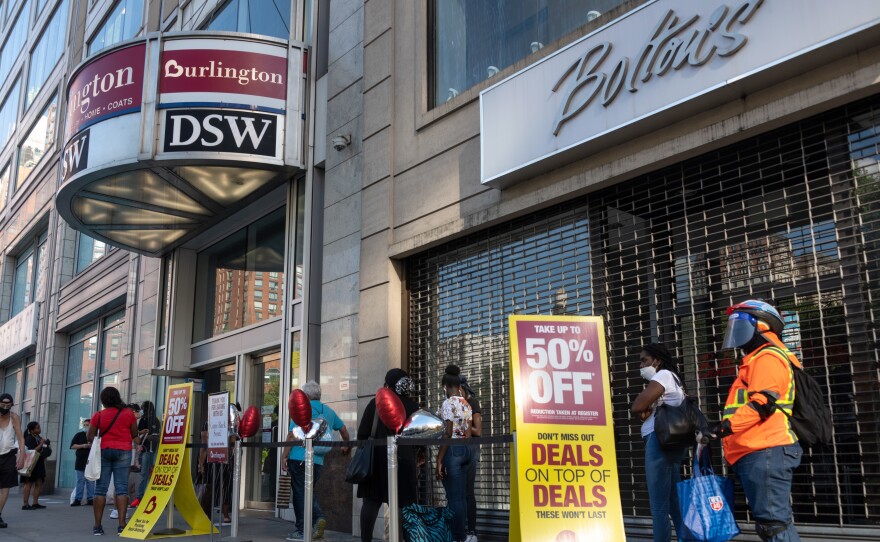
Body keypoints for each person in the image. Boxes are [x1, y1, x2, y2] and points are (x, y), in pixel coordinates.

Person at [706, 300, 802, 541]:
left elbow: (762, 404)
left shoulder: (768, 357)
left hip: (766, 448)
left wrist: (724, 428)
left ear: (760, 327)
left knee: (774, 524)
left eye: (739, 325)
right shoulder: (754, 361)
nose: (735, 332)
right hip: (756, 450)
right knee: (770, 523)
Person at [630, 343, 687, 542]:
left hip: (658, 442)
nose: (641, 365)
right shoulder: (674, 379)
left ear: (657, 360)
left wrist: (643, 408)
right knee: (673, 502)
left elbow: (638, 407)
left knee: (659, 505)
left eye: (644, 360)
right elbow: (644, 411)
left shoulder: (662, 376)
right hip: (670, 443)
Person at [281, 380, 351, 541]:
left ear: (305, 396)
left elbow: (291, 434)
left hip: (299, 458)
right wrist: (346, 446)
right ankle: (314, 526)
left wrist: (284, 455)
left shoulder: (303, 409)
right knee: (308, 491)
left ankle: (303, 529)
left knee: (300, 493)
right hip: (318, 461)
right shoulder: (329, 411)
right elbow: (343, 430)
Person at [357, 369, 420, 542]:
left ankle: (366, 540)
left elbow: (362, 433)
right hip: (404, 461)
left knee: (371, 502)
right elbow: (420, 439)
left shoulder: (375, 404)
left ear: (387, 384)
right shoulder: (413, 406)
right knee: (403, 506)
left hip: (376, 460)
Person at [87, 386, 139, 535]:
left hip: (103, 450)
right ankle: (122, 525)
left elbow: (89, 436)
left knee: (100, 488)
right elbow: (134, 433)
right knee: (122, 488)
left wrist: (100, 438)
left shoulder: (98, 415)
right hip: (123, 451)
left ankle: (97, 526)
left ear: (103, 400)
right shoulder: (128, 413)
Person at [445, 365, 481, 542]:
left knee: (467, 492)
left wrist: (461, 422)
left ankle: (472, 532)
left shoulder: (472, 403)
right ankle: (457, 531)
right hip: (456, 448)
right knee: (455, 493)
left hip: (470, 448)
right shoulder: (454, 403)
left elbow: (478, 430)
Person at [437, 370, 473, 542]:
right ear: (459, 387)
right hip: (466, 450)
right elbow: (468, 432)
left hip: (453, 450)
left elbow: (448, 433)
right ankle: (463, 534)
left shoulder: (447, 403)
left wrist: (439, 459)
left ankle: (458, 537)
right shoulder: (466, 403)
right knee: (462, 497)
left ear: (446, 387)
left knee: (454, 497)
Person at [0, 393, 26, 528]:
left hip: (9, 455)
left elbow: (21, 438)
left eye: (8, 405)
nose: (5, 407)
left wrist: (22, 456)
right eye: (2, 404)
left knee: (5, 487)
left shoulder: (14, 417)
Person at [131, 401, 160, 508]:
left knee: (145, 473)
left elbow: (156, 437)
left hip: (149, 450)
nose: (141, 410)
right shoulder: (142, 420)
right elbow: (136, 433)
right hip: (141, 449)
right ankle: (142, 496)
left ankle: (141, 497)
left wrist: (146, 436)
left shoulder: (154, 420)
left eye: (143, 408)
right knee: (144, 473)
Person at [20, 421, 51, 510]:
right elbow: (32, 451)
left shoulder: (38, 437)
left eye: (39, 427)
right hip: (30, 463)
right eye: (37, 428)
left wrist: (45, 444)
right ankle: (25, 504)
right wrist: (41, 444)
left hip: (39, 463)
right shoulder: (29, 438)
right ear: (32, 430)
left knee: (39, 482)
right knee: (28, 483)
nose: (39, 429)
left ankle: (35, 503)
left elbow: (42, 449)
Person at [70, 418, 95, 506]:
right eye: (84, 425)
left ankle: (91, 498)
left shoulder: (95, 435)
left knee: (90, 480)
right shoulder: (79, 435)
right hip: (80, 461)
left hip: (91, 461)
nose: (85, 427)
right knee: (80, 480)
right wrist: (83, 445)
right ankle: (78, 499)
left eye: (87, 425)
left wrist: (92, 446)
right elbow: (72, 446)